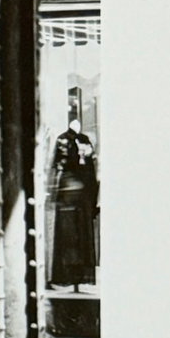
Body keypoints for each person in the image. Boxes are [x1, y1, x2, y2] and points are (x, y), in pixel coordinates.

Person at [49, 120, 99, 289]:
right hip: (76, 193)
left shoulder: (78, 140)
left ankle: (74, 277)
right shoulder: (71, 140)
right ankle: (73, 277)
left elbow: (61, 167)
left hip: (75, 193)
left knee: (73, 234)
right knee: (74, 234)